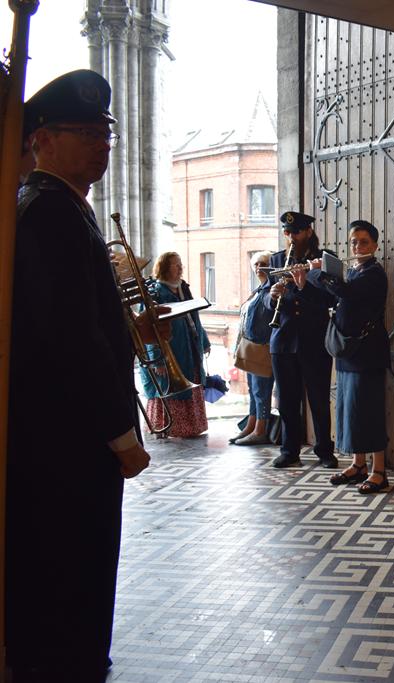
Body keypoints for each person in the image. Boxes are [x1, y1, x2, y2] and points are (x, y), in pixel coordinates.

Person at [7, 69, 154, 681]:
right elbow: (72, 336)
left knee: (77, 560)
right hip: (69, 437)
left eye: (105, 134)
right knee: (74, 559)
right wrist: (121, 434)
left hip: (64, 432)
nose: (101, 145)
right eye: (85, 133)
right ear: (42, 139)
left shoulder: (60, 204)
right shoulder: (51, 213)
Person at [307, 221, 391, 493]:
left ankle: (379, 471)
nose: (357, 247)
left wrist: (317, 272)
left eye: (364, 242)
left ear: (375, 245)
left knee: (369, 411)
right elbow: (337, 297)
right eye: (354, 242)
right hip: (348, 352)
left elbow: (346, 292)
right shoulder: (354, 271)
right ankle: (358, 465)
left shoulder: (374, 273)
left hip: (368, 354)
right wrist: (305, 279)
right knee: (351, 410)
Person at [263, 211, 339, 468]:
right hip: (283, 340)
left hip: (314, 339)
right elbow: (263, 298)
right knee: (287, 401)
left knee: (318, 399)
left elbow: (331, 298)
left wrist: (305, 286)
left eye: (296, 232)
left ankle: (324, 450)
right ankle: (289, 450)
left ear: (308, 231)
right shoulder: (277, 259)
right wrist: (272, 296)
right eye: (287, 232)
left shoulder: (324, 259)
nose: (291, 237)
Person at [140, 252, 211, 438]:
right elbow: (149, 329)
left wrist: (204, 342)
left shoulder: (183, 288)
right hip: (171, 350)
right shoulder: (154, 292)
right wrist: (157, 360)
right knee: (167, 388)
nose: (180, 268)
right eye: (175, 265)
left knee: (190, 383)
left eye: (181, 264)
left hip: (189, 348)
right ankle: (168, 427)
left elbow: (194, 319)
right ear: (164, 267)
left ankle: (191, 427)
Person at [232, 250, 276, 445]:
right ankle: (250, 425)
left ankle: (260, 429)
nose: (259, 268)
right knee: (253, 390)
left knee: (261, 391)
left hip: (263, 346)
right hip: (251, 345)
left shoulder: (271, 289)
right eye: (256, 264)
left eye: (264, 263)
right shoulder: (258, 290)